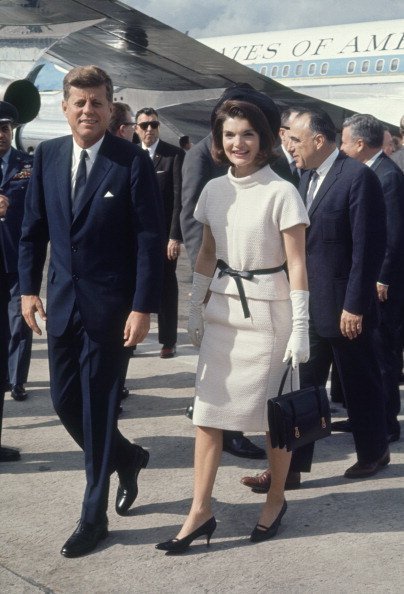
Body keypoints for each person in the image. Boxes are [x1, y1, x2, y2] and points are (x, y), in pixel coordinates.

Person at [19, 65, 164, 558]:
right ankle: (128, 456)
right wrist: (27, 289)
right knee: (63, 402)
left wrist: (143, 307)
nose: (88, 110)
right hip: (60, 302)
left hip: (111, 308)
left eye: (97, 102)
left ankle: (93, 516)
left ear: (110, 108)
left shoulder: (130, 162)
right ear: (64, 107)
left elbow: (148, 239)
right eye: (79, 102)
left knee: (99, 408)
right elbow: (34, 228)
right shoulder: (49, 157)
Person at [156, 97, 310, 553]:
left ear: (262, 139)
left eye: (246, 134)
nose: (237, 143)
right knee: (207, 416)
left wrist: (301, 325)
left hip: (268, 317)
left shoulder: (282, 191)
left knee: (271, 418)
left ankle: (276, 498)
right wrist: (194, 306)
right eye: (229, 135)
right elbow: (206, 253)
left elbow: (298, 264)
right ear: (218, 142)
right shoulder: (212, 190)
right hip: (223, 312)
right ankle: (199, 511)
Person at [287, 108, 389, 479]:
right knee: (304, 388)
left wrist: (354, 305)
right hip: (311, 305)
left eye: (295, 139)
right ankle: (292, 467)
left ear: (318, 140)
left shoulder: (357, 177)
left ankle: (374, 452)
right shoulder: (303, 177)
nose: (289, 146)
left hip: (347, 309)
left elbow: (368, 248)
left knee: (360, 385)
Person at [341, 113, 404, 442]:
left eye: (345, 142)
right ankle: (367, 417)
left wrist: (381, 278)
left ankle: (387, 424)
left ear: (361, 144)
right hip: (370, 280)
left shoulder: (387, 175)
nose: (342, 148)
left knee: (383, 354)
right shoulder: (370, 171)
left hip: (385, 285)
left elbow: (393, 235)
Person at [135, 107, 184, 358]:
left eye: (153, 125)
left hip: (164, 235)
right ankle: (130, 338)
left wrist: (175, 236)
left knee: (166, 286)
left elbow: (178, 199)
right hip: (135, 236)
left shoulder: (172, 155)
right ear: (136, 129)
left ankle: (168, 340)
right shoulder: (131, 155)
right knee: (132, 285)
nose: (149, 130)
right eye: (144, 126)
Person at [0, 101, 33, 402]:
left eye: (5, 128)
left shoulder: (28, 165)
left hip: (19, 256)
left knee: (20, 321)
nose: (1, 134)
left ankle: (17, 379)